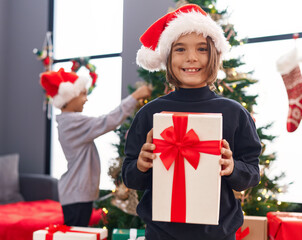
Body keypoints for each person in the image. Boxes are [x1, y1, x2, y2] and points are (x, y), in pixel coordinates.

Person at [122, 4, 261, 240]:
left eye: (202, 49)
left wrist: (232, 167)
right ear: (167, 56)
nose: (191, 58)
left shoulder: (234, 112)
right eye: (180, 49)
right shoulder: (149, 113)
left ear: (214, 54)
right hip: (162, 233)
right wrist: (142, 164)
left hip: (218, 233)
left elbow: (252, 172)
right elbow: (130, 176)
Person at [40, 67, 151, 227]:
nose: (86, 99)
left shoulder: (69, 122)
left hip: (77, 194)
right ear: (69, 97)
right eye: (83, 94)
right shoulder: (72, 123)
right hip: (76, 195)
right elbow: (107, 122)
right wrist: (134, 97)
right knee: (76, 237)